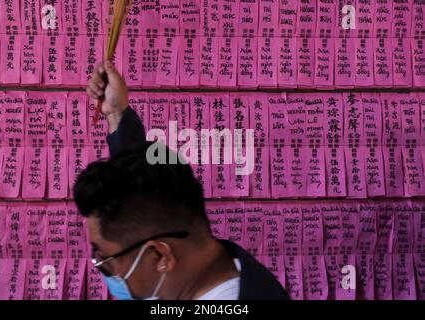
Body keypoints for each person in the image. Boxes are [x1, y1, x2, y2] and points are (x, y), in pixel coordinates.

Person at [74, 60, 289, 300]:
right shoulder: (189, 270)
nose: (108, 272)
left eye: (106, 260)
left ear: (160, 256)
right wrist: (116, 114)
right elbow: (144, 188)